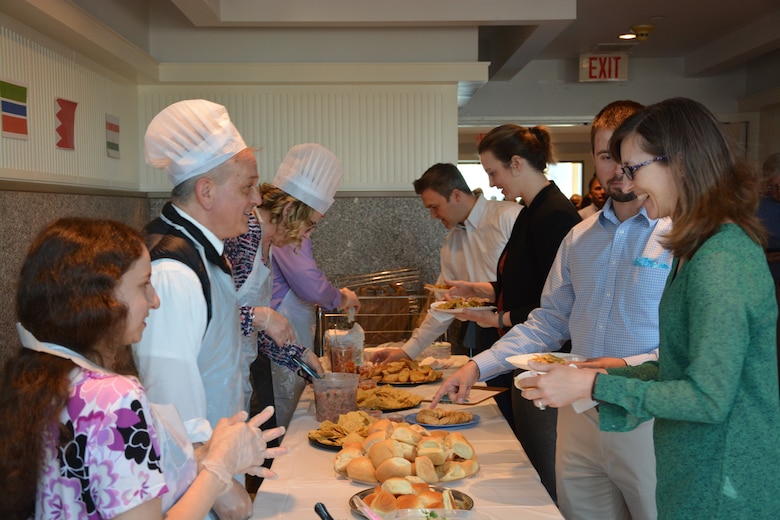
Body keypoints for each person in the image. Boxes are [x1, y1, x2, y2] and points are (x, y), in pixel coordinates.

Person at [518, 97, 780, 520]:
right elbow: (681, 365)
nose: (627, 181)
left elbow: (709, 398)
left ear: (679, 163)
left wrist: (592, 387)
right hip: (696, 467)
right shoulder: (699, 248)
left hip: (720, 478)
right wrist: (600, 372)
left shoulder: (721, 257)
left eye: (635, 168)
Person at [432, 100, 671, 519]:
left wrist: (604, 373)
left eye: (625, 156)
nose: (617, 168)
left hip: (647, 417)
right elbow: (548, 322)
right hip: (579, 417)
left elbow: (685, 351)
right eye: (604, 155)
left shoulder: (677, 236)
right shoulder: (578, 237)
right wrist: (478, 367)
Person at [0, 218, 287, 520]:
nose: (155, 300)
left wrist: (203, 455)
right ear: (99, 299)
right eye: (143, 284)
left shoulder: (34, 374)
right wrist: (219, 466)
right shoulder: (114, 397)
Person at [132, 99, 266, 510]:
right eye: (247, 187)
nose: (257, 199)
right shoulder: (173, 273)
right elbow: (170, 407)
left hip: (215, 469)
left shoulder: (202, 249)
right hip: (193, 489)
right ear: (206, 192)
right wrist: (222, 488)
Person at [442, 123, 581, 500]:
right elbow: (523, 282)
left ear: (517, 164)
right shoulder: (530, 211)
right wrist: (482, 292)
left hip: (547, 360)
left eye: (493, 172)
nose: (491, 183)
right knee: (531, 460)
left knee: (544, 472)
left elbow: (554, 304)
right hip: (524, 352)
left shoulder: (554, 215)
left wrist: (501, 318)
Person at [225, 143, 355, 435]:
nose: (306, 236)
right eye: (309, 226)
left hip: (238, 374)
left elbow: (253, 328)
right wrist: (262, 318)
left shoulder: (268, 243)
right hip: (217, 375)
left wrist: (297, 356)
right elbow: (214, 315)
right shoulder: (244, 235)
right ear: (289, 211)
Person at [369, 163, 522, 400]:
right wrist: (408, 351)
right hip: (487, 338)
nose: (432, 216)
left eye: (434, 207)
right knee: (498, 414)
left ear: (456, 195)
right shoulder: (451, 243)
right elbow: (442, 306)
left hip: (525, 332)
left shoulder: (509, 217)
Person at [268, 146, 361, 429]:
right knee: (284, 408)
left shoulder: (288, 226)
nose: (308, 233)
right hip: (276, 330)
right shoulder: (282, 229)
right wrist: (339, 297)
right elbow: (309, 283)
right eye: (310, 225)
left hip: (279, 337)